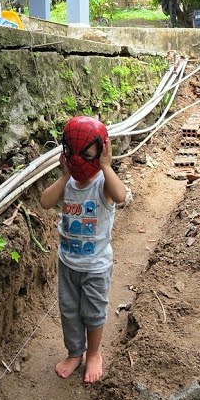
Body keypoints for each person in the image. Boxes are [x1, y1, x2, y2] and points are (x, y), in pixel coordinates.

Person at [39, 116, 126, 383]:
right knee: (69, 311)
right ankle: (75, 352)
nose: (78, 160)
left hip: (96, 266)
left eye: (87, 154)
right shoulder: (69, 184)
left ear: (101, 151)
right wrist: (65, 176)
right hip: (67, 263)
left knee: (93, 311)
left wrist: (106, 167)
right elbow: (44, 202)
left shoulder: (103, 185)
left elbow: (121, 195)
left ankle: (94, 354)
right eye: (72, 153)